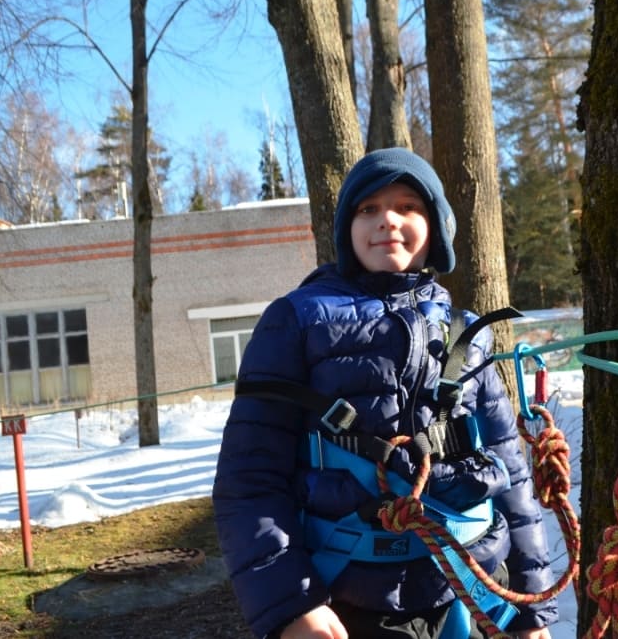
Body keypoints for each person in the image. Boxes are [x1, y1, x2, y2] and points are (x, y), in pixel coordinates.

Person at [212, 147, 557, 639]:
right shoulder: (297, 322)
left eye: (407, 206)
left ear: (435, 227)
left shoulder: (466, 333)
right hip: (347, 606)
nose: (387, 220)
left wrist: (531, 607)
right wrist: (290, 605)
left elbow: (511, 473)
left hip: (477, 593)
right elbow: (248, 479)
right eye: (368, 208)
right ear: (347, 229)